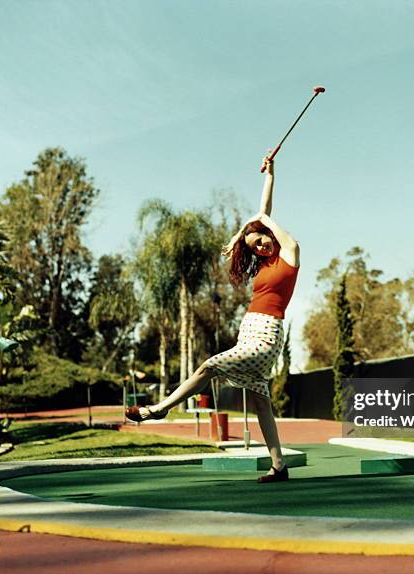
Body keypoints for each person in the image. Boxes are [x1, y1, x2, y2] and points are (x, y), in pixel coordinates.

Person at [126, 157, 299, 484]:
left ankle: (161, 408)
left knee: (209, 366)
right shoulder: (265, 263)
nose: (261, 247)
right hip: (248, 332)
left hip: (266, 335)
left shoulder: (290, 253)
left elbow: (265, 216)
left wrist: (252, 225)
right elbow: (263, 211)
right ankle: (279, 465)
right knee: (261, 400)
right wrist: (271, 176)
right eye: (255, 247)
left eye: (261, 240)